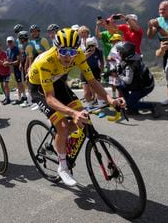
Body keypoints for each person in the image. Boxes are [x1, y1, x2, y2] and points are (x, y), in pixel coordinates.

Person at [28, 28, 125, 186]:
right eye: (64, 51)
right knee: (64, 127)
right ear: (56, 48)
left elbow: (93, 82)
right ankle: (63, 167)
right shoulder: (46, 61)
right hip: (39, 88)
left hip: (57, 82)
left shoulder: (79, 55)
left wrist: (110, 99)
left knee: (83, 120)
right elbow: (50, 98)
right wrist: (72, 113)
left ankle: (60, 142)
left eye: (72, 52)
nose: (68, 56)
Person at [147, 0, 168, 106]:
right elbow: (150, 36)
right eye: (159, 9)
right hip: (165, 49)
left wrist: (158, 27)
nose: (161, 11)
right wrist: (150, 27)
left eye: (163, 9)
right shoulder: (158, 20)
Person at [116, 42, 160, 117]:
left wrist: (119, 75)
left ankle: (152, 106)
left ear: (126, 54)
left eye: (121, 52)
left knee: (128, 103)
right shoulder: (134, 56)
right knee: (121, 86)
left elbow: (128, 81)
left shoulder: (131, 65)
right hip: (139, 83)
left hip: (145, 87)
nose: (119, 53)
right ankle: (132, 106)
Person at [81, 37, 105, 109]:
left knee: (98, 89)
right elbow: (79, 62)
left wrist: (102, 71)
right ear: (87, 46)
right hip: (85, 71)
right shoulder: (83, 51)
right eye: (89, 46)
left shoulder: (99, 51)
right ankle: (90, 105)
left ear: (95, 45)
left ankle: (101, 105)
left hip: (95, 70)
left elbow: (102, 62)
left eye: (92, 45)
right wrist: (86, 55)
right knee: (86, 92)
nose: (91, 47)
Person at [6, 36, 26, 104]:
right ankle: (22, 96)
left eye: (10, 41)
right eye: (8, 42)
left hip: (18, 68)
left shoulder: (16, 49)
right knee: (18, 83)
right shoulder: (8, 50)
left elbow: (18, 61)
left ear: (13, 42)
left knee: (19, 83)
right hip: (14, 68)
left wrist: (9, 63)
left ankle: (21, 98)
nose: (9, 43)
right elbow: (9, 58)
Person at [107, 33, 123, 98]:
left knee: (119, 84)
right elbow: (109, 56)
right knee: (112, 83)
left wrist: (113, 59)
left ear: (118, 40)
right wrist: (109, 58)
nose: (112, 42)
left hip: (118, 68)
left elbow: (121, 58)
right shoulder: (113, 47)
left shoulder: (121, 48)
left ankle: (121, 97)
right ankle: (114, 96)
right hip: (112, 67)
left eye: (114, 40)